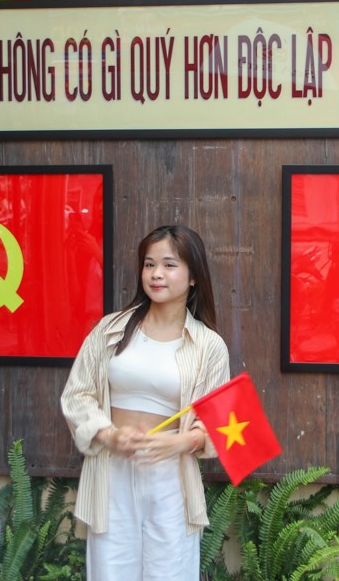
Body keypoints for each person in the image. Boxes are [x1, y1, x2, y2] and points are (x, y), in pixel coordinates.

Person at [61, 225, 230, 581]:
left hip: (171, 480)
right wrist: (109, 436)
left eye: (169, 265)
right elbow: (77, 396)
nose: (156, 274)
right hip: (111, 473)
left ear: (193, 276)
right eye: (149, 264)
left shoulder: (208, 346)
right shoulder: (110, 330)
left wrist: (180, 442)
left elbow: (219, 421)